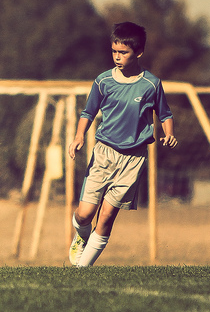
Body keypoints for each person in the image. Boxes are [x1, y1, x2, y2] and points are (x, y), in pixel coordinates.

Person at [68, 22, 177, 267]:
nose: (117, 57)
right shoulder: (103, 81)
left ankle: (81, 269)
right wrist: (78, 137)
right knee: (85, 214)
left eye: (123, 52)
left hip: (133, 159)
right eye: (114, 51)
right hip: (104, 154)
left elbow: (165, 114)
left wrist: (169, 133)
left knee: (106, 217)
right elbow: (88, 112)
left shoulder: (151, 84)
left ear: (138, 53)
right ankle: (81, 235)